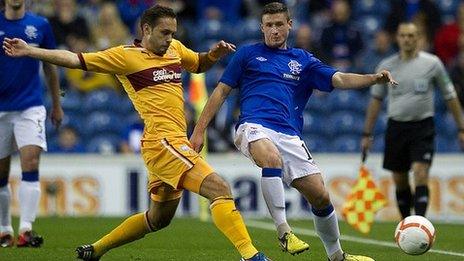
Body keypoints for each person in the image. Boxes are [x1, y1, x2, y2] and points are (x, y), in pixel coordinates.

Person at [3, 5, 271, 261]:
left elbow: (198, 64)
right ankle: (250, 255)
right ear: (146, 29)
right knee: (220, 188)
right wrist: (31, 52)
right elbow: (74, 59)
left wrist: (213, 55)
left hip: (171, 143)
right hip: (162, 142)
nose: (170, 39)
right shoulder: (125, 56)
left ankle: (97, 249)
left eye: (173, 33)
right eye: (164, 33)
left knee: (158, 219)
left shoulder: (175, 49)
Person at [190, 2, 396, 261]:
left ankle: (338, 256)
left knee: (320, 196)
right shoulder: (247, 55)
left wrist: (372, 78)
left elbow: (339, 79)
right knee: (271, 157)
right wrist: (199, 132)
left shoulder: (304, 61)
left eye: (279, 24)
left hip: (289, 134)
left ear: (290, 25)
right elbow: (220, 92)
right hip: (253, 125)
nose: (274, 31)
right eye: (269, 25)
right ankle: (284, 232)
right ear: (261, 27)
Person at [361, 23, 464, 220]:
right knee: (399, 179)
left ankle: (420, 222)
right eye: (403, 35)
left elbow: (450, 95)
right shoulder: (387, 66)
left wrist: (461, 128)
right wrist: (367, 133)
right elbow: (376, 100)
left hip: (422, 126)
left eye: (411, 36)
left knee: (420, 172)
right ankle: (406, 222)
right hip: (396, 126)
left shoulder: (432, 64)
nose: (407, 39)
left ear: (418, 38)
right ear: (397, 38)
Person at [0, 0, 63, 248]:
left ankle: (26, 229)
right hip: (1, 109)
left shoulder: (40, 25)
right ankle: (4, 229)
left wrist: (56, 104)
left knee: (31, 161)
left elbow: (51, 65)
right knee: (1, 174)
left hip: (30, 106)